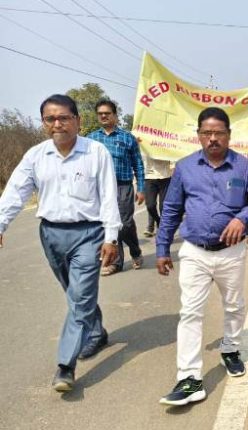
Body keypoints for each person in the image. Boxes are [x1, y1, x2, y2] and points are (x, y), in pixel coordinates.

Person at [0, 94, 121, 392]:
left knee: (80, 296)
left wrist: (111, 237)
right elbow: (16, 192)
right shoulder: (36, 156)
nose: (57, 124)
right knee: (75, 292)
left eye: (64, 118)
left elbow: (109, 196)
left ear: (77, 121)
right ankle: (96, 332)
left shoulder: (96, 152)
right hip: (51, 235)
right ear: (43, 123)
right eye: (50, 119)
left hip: (89, 234)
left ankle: (66, 366)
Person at [156, 107, 248, 406]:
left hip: (230, 253)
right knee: (190, 312)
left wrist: (243, 218)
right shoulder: (185, 168)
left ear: (229, 135)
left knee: (233, 305)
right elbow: (171, 209)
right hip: (194, 252)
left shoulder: (245, 168)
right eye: (206, 133)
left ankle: (230, 349)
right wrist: (162, 248)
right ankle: (189, 378)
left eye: (218, 133)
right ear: (198, 135)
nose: (212, 138)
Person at [88, 100, 145, 275]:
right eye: (100, 114)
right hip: (100, 188)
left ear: (115, 115)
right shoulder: (91, 139)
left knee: (125, 224)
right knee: (109, 223)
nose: (103, 116)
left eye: (107, 113)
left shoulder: (127, 138)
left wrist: (141, 188)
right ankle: (115, 263)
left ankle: (135, 251)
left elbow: (138, 164)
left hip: (122, 186)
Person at [141, 150, 172, 238]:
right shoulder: (144, 143)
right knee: (150, 205)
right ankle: (158, 222)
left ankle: (164, 231)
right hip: (149, 177)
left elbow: (174, 153)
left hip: (165, 176)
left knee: (163, 207)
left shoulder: (166, 143)